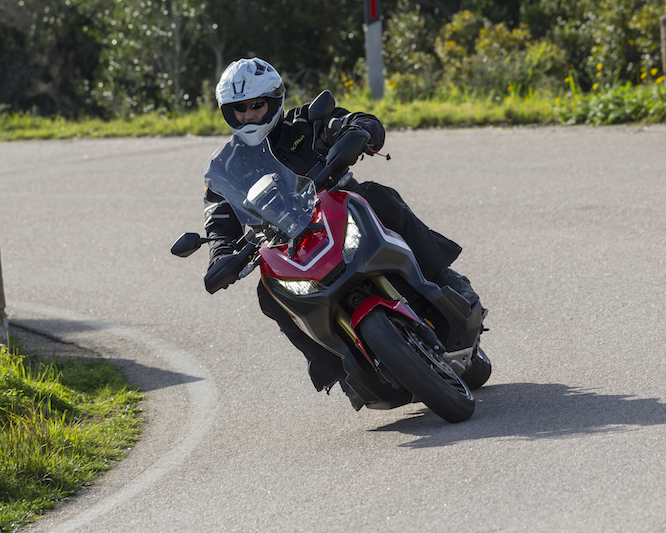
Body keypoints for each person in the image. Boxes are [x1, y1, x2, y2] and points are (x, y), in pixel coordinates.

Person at [203, 57, 479, 409]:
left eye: (257, 104)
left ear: (274, 100)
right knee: (268, 292)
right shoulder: (226, 165)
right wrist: (222, 254)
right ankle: (338, 370)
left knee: (377, 195)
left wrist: (358, 131)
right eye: (239, 108)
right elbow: (219, 217)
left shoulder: (306, 122)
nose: (249, 115)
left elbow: (355, 121)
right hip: (289, 245)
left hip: (340, 210)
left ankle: (442, 277)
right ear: (227, 111)